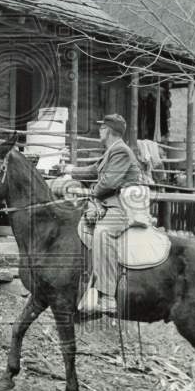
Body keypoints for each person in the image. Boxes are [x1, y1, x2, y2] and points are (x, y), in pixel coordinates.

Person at [60, 113, 141, 315]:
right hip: (109, 204)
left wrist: (89, 192)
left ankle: (108, 297)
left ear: (109, 131)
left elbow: (110, 183)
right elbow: (93, 170)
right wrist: (69, 170)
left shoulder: (121, 151)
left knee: (102, 233)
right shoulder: (111, 151)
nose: (99, 130)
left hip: (122, 208)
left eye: (102, 127)